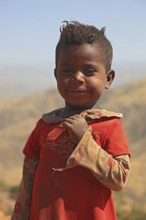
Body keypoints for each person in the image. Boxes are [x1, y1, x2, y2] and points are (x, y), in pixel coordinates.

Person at [11, 21, 131, 220]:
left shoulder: (110, 125)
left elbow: (119, 179)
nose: (77, 78)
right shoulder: (45, 126)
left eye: (89, 71)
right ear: (56, 74)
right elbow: (27, 186)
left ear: (108, 78)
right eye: (67, 71)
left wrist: (85, 140)